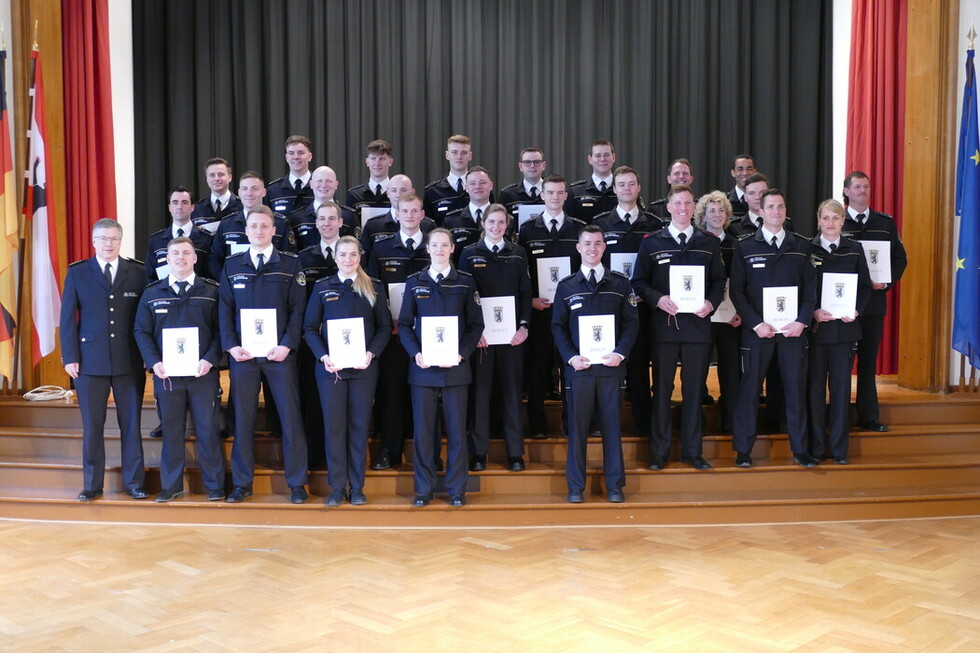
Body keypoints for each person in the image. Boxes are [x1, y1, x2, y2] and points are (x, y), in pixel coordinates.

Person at [217, 206, 310, 503]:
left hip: (280, 355)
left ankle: (297, 483)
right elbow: (224, 309)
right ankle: (242, 483)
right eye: (253, 226)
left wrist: (287, 344)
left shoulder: (290, 264)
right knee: (243, 421)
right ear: (246, 230)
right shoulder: (233, 265)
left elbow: (298, 310)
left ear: (274, 230)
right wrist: (231, 346)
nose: (258, 231)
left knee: (290, 418)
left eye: (264, 226)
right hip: (243, 356)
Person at [632, 185, 726, 470]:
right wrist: (658, 299)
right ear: (669, 207)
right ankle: (659, 453)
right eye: (678, 203)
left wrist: (711, 303)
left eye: (688, 203)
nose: (683, 208)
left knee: (694, 390)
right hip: (664, 329)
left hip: (697, 328)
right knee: (661, 390)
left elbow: (719, 282)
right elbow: (638, 283)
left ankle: (692, 452)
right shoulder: (652, 242)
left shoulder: (708, 242)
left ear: (693, 207)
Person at [60, 218, 147, 501]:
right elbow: (68, 319)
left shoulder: (137, 272)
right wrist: (70, 357)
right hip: (89, 363)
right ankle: (92, 485)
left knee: (131, 425)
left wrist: (149, 356)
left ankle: (134, 483)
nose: (108, 244)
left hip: (129, 361)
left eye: (113, 239)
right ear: (93, 241)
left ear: (120, 241)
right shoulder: (78, 273)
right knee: (93, 426)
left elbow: (146, 319)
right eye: (103, 238)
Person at [729, 189, 818, 468]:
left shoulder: (801, 246)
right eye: (771, 207)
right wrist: (756, 323)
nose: (776, 212)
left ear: (785, 210)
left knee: (795, 390)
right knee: (749, 392)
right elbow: (738, 293)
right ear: (761, 211)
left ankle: (800, 449)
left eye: (780, 206)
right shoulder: (744, 247)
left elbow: (810, 291)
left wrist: (802, 322)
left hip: (792, 333)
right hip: (758, 333)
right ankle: (743, 450)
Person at [133, 237, 226, 502]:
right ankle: (171, 485)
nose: (181, 258)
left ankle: (215, 485)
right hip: (167, 376)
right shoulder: (152, 293)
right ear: (167, 258)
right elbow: (140, 331)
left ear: (195, 258)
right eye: (175, 254)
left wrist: (210, 359)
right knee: (172, 431)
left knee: (208, 430)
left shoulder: (211, 291)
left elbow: (222, 330)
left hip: (203, 374)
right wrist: (154, 362)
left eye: (186, 253)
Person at [552, 225, 639, 503]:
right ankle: (575, 487)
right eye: (587, 243)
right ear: (578, 248)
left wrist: (620, 353)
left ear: (604, 247)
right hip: (579, 371)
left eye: (598, 243)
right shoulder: (566, 286)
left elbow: (631, 323)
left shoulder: (620, 283)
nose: (592, 248)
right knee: (578, 431)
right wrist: (570, 357)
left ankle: (615, 486)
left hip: (612, 369)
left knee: (612, 429)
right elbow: (557, 327)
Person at [398, 228, 484, 507]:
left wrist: (462, 354)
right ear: (428, 248)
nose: (439, 249)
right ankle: (424, 489)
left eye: (444, 245)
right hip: (423, 370)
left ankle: (457, 489)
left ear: (452, 249)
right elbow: (404, 325)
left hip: (456, 369)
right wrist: (416, 354)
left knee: (457, 431)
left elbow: (475, 326)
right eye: (434, 245)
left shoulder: (465, 282)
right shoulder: (414, 282)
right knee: (424, 432)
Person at [304, 236, 392, 506]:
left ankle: (357, 487)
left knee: (358, 427)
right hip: (331, 371)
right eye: (342, 255)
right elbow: (309, 328)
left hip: (364, 369)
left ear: (360, 256)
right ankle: (336, 488)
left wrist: (371, 353)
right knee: (334, 428)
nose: (348, 259)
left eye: (353, 254)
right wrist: (323, 356)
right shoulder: (321, 287)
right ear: (335, 257)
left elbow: (384, 328)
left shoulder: (374, 287)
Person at [458, 204, 533, 472]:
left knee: (512, 394)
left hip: (512, 338)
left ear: (507, 225)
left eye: (501, 223)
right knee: (480, 396)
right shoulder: (469, 253)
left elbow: (526, 293)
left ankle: (515, 453)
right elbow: (464, 296)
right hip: (482, 340)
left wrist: (524, 326)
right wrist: (472, 333)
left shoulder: (518, 254)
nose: (496, 227)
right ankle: (479, 453)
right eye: (492, 222)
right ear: (483, 223)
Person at [366, 192, 433, 470]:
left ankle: (429, 455)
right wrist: (385, 321)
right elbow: (372, 290)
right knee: (391, 394)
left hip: (427, 336)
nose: (409, 216)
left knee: (426, 395)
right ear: (396, 213)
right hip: (393, 336)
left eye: (414, 211)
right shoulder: (382, 249)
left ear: (422, 214)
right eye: (403, 211)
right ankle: (389, 451)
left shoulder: (433, 247)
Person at [592, 166, 660, 439]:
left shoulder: (654, 224)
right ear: (615, 189)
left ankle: (643, 425)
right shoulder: (602, 224)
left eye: (631, 184)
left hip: (644, 307)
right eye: (621, 185)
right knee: (605, 368)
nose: (627, 189)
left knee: (640, 368)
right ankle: (602, 425)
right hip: (610, 309)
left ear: (638, 187)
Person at [517, 175, 585, 438]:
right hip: (540, 311)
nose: (555, 197)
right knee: (537, 369)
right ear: (542, 196)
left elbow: (583, 269)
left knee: (570, 367)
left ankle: (572, 423)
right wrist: (531, 300)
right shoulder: (528, 229)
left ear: (566, 195)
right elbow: (523, 273)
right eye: (550, 193)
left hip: (570, 313)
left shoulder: (578, 228)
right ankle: (538, 426)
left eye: (560, 193)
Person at [841, 171, 908, 432]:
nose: (862, 191)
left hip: (873, 305)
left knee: (868, 363)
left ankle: (869, 417)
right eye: (857, 186)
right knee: (841, 365)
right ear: (846, 191)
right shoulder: (836, 221)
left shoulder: (884, 223)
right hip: (843, 305)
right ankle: (840, 418)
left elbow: (900, 259)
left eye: (865, 187)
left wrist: (887, 282)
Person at [808, 200, 872, 464]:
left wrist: (855, 310)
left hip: (844, 331)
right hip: (815, 331)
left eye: (836, 218)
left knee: (840, 391)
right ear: (819, 220)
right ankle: (814, 448)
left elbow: (866, 288)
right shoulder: (806, 249)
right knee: (813, 392)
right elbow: (800, 287)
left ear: (843, 220)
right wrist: (812, 311)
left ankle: (838, 449)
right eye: (826, 218)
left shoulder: (855, 250)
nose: (831, 223)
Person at [694, 190, 742, 433]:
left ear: (727, 214)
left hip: (731, 318)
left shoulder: (737, 245)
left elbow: (744, 283)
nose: (716, 214)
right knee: (698, 369)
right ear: (702, 215)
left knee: (731, 371)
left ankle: (731, 423)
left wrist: (740, 312)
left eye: (721, 209)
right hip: (702, 316)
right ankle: (698, 425)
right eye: (711, 210)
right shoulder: (696, 243)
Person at [209, 171, 297, 280]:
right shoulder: (227, 224)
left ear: (264, 192)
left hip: (273, 286)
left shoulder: (280, 223)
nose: (249, 193)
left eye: (254, 189)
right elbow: (215, 259)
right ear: (239, 192)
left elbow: (289, 257)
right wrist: (228, 280)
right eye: (245, 189)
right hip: (236, 287)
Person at [145, 187, 213, 283]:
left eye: (184, 202)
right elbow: (150, 275)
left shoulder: (207, 239)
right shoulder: (156, 240)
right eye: (175, 202)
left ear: (192, 207)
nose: (179, 206)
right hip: (164, 294)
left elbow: (211, 272)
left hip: (198, 294)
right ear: (169, 207)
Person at [360, 174, 436, 260]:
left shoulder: (428, 225)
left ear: (412, 192)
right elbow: (366, 260)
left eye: (403, 190)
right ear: (387, 193)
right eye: (394, 190)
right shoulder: (373, 226)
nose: (398, 195)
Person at [289, 165, 358, 251]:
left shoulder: (349, 216)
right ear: (311, 184)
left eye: (328, 181)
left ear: (336, 184)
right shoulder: (297, 217)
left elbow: (357, 250)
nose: (323, 185)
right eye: (319, 181)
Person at [444, 166, 494, 264]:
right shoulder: (451, 220)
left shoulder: (506, 219)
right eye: (472, 183)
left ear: (491, 185)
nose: (477, 187)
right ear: (466, 187)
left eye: (482, 182)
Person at [565, 139, 619, 223]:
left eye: (607, 155)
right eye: (597, 155)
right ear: (590, 159)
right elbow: (569, 224)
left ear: (614, 157)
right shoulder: (575, 192)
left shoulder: (624, 189)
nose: (602, 159)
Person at [424, 134, 474, 222]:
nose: (459, 157)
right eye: (454, 152)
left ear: (470, 156)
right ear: (447, 155)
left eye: (464, 152)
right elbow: (428, 227)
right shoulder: (432, 192)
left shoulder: (480, 189)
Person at [265, 135, 315, 216]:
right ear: (286, 157)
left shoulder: (321, 187)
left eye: (301, 153)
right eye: (291, 153)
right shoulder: (273, 190)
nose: (296, 157)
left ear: (310, 156)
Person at [191, 157, 242, 233]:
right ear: (206, 179)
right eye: (212, 175)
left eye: (221, 174)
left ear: (230, 177)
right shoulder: (196, 209)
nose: (216, 178)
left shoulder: (242, 206)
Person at [498, 147, 548, 223]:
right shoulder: (507, 194)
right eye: (527, 162)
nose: (532, 166)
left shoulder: (554, 192)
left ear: (543, 165)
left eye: (536, 162)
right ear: (520, 166)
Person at [346, 139, 394, 210]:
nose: (377, 163)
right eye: (373, 158)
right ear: (367, 162)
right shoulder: (354, 195)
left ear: (390, 161)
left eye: (382, 158)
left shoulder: (399, 195)